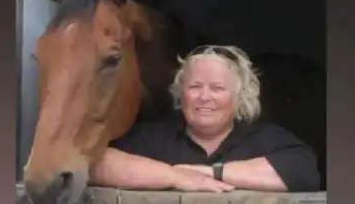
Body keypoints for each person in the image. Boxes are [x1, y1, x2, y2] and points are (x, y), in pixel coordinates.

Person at [90, 45, 321, 193]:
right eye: (194, 86)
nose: (204, 97)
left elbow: (304, 171)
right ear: (181, 94)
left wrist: (211, 173)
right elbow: (95, 162)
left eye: (217, 88)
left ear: (240, 97)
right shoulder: (151, 137)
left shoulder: (264, 138)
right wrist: (175, 176)